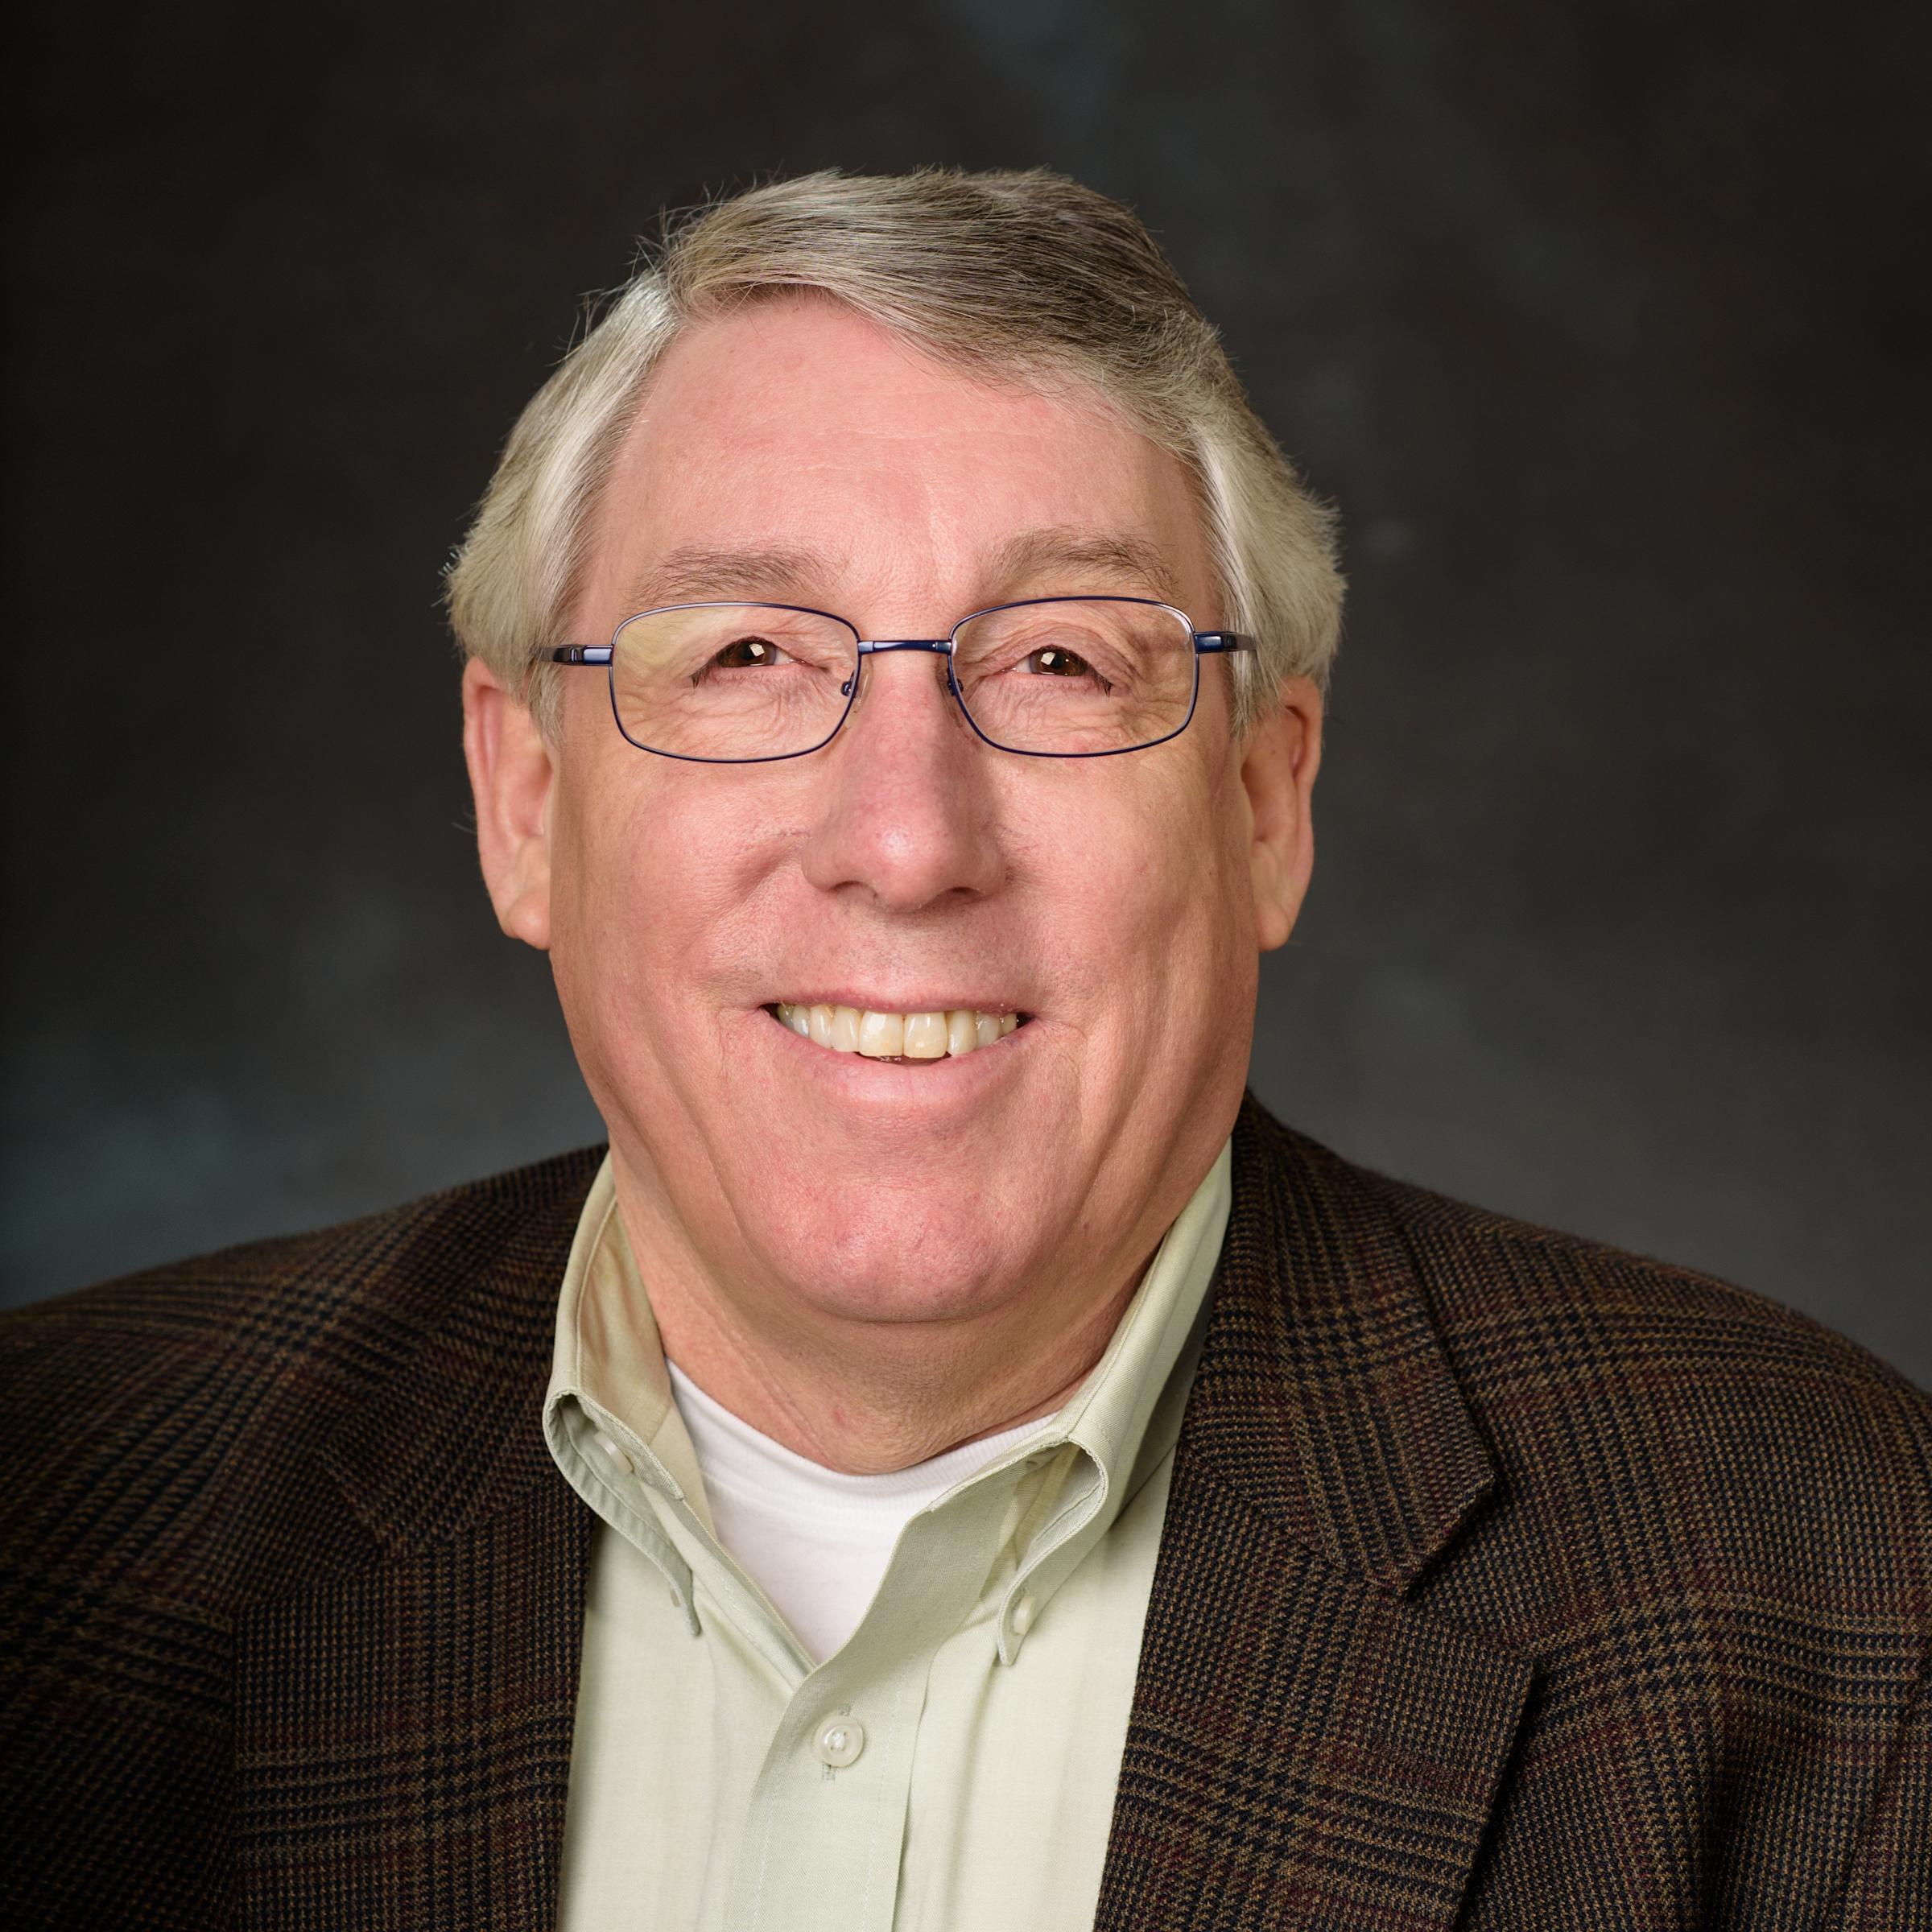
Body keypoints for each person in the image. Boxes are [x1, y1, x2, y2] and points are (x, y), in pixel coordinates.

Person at [2, 169, 1925, 1932]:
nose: (909, 845)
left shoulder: (1832, 1584)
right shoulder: (58, 1514)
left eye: (1063, 663)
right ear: (524, 800)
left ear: (1266, 803)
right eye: (748, 655)